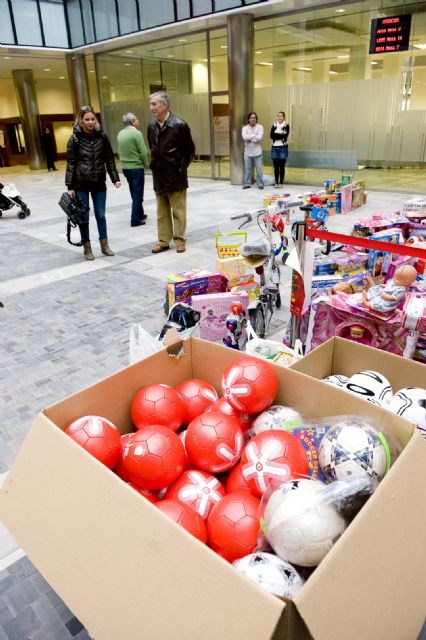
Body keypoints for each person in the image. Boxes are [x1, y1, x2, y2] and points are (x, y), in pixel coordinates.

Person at [65, 106, 120, 261]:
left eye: (92, 119)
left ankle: (105, 245)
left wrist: (115, 178)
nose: (90, 122)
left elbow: (109, 158)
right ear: (81, 120)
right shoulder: (75, 138)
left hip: (99, 182)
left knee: (101, 215)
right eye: (87, 119)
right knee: (83, 216)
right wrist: (70, 186)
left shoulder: (102, 136)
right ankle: (87, 248)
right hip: (81, 183)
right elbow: (71, 162)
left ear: (96, 120)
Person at [147, 91, 195, 254]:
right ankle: (163, 240)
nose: (151, 107)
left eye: (154, 104)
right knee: (161, 212)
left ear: (164, 105)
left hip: (175, 176)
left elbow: (189, 151)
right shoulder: (151, 126)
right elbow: (152, 148)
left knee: (178, 211)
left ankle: (180, 240)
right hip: (159, 175)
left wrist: (179, 168)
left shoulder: (179, 125)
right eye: (151, 104)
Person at [117, 113, 149, 228]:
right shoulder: (136, 133)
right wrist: (146, 164)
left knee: (134, 192)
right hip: (136, 167)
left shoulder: (120, 133)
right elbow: (143, 152)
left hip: (126, 168)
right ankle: (135, 219)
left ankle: (140, 214)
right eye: (136, 119)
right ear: (132, 122)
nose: (138, 120)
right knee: (138, 193)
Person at [242, 112, 264, 190]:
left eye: (254, 117)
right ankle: (247, 183)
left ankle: (260, 183)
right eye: (251, 118)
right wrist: (254, 135)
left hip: (257, 151)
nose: (253, 119)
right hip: (247, 152)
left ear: (256, 119)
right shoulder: (245, 128)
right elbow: (244, 137)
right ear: (248, 119)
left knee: (259, 169)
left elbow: (259, 138)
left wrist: (250, 137)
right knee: (248, 169)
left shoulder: (260, 127)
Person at [270, 111, 289, 187]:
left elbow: (286, 135)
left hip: (283, 148)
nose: (279, 117)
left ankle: (281, 182)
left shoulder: (286, 125)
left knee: (282, 166)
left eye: (281, 116)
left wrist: (276, 135)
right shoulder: (274, 125)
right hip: (274, 147)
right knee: (276, 166)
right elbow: (271, 136)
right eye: (278, 116)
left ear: (284, 117)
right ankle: (276, 182)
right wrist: (281, 135)